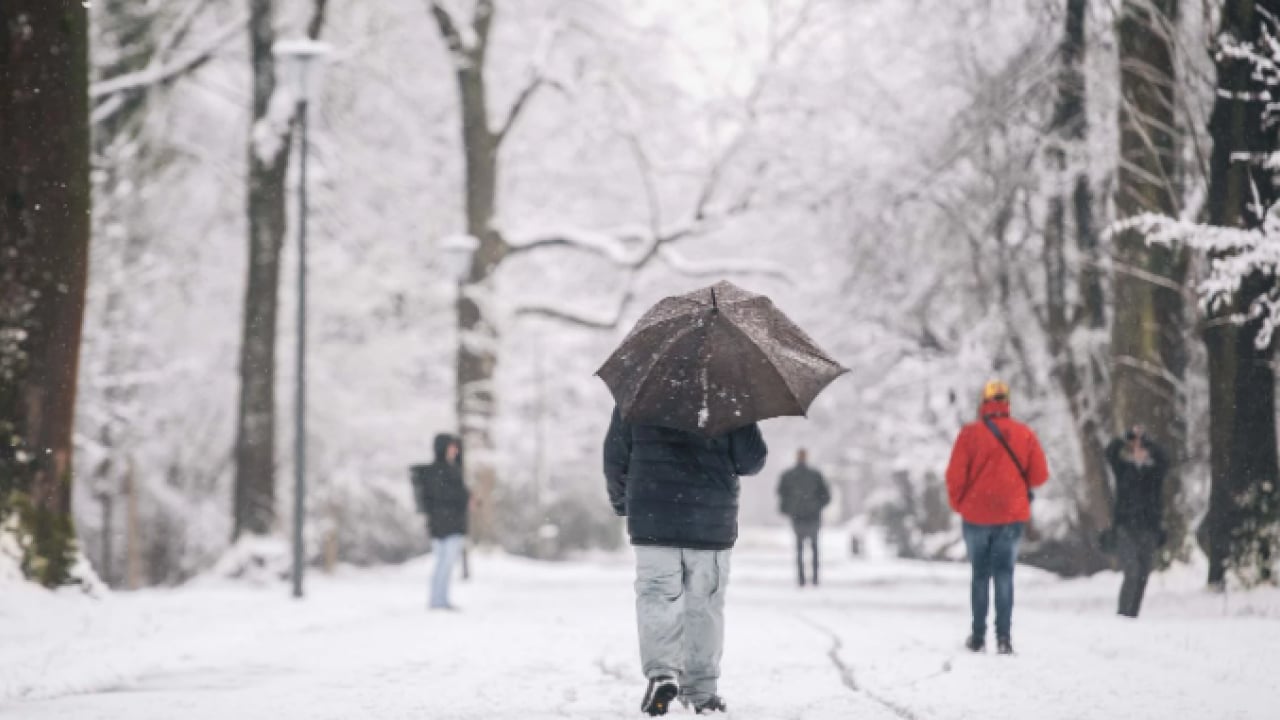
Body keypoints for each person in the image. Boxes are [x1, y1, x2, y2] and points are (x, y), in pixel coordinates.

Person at [604, 406, 768, 717]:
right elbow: (751, 461)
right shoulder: (729, 394)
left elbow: (615, 456)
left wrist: (623, 502)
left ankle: (663, 673)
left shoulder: (640, 393)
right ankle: (702, 692)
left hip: (653, 518)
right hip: (710, 520)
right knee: (704, 606)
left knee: (656, 597)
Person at [945, 380, 1048, 655]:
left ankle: (978, 637)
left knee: (980, 575)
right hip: (1011, 516)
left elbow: (954, 475)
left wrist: (961, 505)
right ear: (1007, 402)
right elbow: (1039, 476)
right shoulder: (1024, 434)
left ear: (984, 402)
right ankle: (1004, 637)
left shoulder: (970, 434)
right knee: (1004, 574)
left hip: (976, 515)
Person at [1104, 426, 1168, 618]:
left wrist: (1149, 442)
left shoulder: (1154, 474)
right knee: (1131, 570)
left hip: (1149, 528)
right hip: (1126, 528)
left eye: (1143, 449)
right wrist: (1127, 438)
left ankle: (1132, 614)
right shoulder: (1124, 470)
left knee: (1143, 573)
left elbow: (1165, 459)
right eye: (1137, 449)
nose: (1139, 452)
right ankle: (1123, 613)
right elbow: (1110, 453)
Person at [411, 433, 469, 611]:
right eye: (451, 447)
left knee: (446, 564)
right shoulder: (438, 472)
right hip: (444, 525)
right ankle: (437, 600)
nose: (454, 451)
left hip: (449, 524)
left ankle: (440, 599)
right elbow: (443, 496)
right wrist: (464, 498)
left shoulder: (453, 469)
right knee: (443, 563)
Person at [777, 448, 831, 587]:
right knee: (813, 548)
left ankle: (803, 579)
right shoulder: (814, 475)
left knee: (800, 548)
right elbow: (826, 495)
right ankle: (813, 579)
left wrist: (789, 509)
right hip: (811, 516)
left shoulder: (789, 475)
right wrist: (816, 506)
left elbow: (782, 494)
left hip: (799, 516)